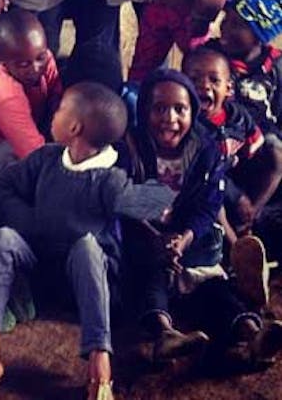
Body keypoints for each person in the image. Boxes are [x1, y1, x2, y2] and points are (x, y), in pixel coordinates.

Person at [0, 82, 172, 398]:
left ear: (74, 127)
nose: (53, 115)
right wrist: (28, 221)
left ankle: (100, 365)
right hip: (42, 270)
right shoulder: (46, 158)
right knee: (4, 238)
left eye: (59, 110)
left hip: (90, 284)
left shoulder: (110, 179)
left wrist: (162, 198)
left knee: (87, 246)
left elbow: (153, 204)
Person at [119, 69, 282, 370]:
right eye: (159, 109)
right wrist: (158, 239)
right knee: (150, 276)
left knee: (211, 285)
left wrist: (185, 238)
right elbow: (123, 200)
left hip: (190, 238)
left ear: (192, 113)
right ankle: (164, 333)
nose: (170, 118)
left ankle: (252, 334)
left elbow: (208, 206)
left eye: (180, 109)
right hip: (147, 237)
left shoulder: (206, 149)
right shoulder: (131, 146)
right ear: (144, 111)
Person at [182, 47, 282, 255]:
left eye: (214, 80)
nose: (204, 85)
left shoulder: (238, 116)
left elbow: (255, 142)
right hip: (209, 185)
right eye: (194, 78)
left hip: (236, 174)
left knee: (275, 163)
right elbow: (205, 172)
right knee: (217, 204)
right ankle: (238, 250)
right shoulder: (189, 128)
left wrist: (246, 161)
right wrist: (237, 195)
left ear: (229, 89)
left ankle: (252, 220)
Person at [0, 9, 61, 179]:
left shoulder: (45, 57)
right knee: (18, 180)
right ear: (0, 59)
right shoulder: (4, 94)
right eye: (23, 64)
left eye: (40, 58)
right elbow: (35, 153)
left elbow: (56, 94)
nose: (35, 69)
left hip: (33, 126)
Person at [217, 0, 282, 133]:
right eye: (226, 18)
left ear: (259, 37)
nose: (225, 27)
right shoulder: (210, 57)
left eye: (236, 25)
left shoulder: (276, 70)